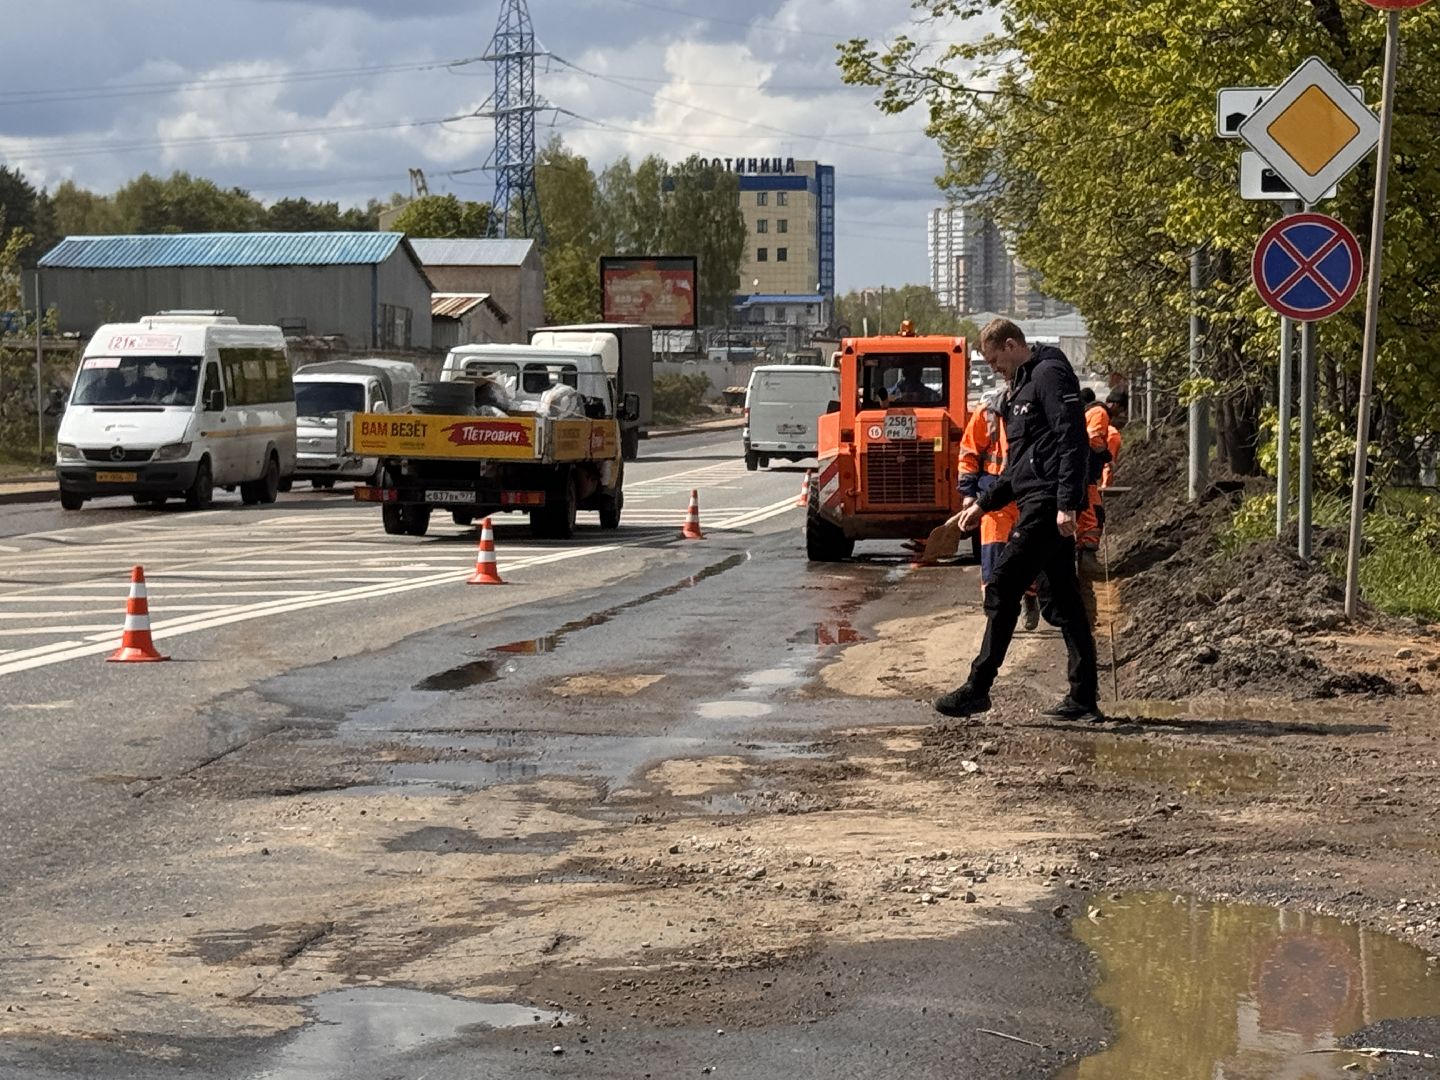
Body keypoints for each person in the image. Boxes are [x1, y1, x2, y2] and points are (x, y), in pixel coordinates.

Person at [933, 318, 1101, 722]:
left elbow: (1071, 438)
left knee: (1004, 583)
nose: (994, 369)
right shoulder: (1020, 387)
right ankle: (1083, 698)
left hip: (1046, 504)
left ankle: (978, 688)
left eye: (995, 361)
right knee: (1063, 602)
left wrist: (1066, 502)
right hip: (1032, 500)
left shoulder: (1049, 373)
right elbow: (1019, 465)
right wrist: (982, 504)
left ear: (1011, 345)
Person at [957, 383, 1041, 631]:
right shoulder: (987, 414)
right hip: (994, 499)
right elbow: (968, 453)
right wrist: (968, 495)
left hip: (1029, 496)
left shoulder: (1038, 410)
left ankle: (1030, 596)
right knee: (993, 556)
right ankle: (996, 613)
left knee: (1030, 556)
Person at [1075, 388, 1113, 567]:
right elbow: (1094, 437)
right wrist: (1106, 455)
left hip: (1082, 473)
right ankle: (1088, 559)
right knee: (1093, 515)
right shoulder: (1100, 412)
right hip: (1086, 475)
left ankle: (1082, 556)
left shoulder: (1086, 413)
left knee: (1085, 513)